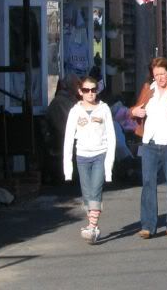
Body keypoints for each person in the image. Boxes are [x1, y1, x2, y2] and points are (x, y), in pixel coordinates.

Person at [130, 58, 167, 239]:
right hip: (150, 143)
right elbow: (136, 109)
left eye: (162, 74)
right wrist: (134, 112)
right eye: (156, 75)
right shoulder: (148, 89)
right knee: (148, 183)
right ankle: (147, 225)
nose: (160, 78)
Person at [62, 76, 116, 244]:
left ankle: (92, 227)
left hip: (100, 154)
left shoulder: (104, 109)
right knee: (86, 195)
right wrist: (67, 169)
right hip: (82, 156)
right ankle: (92, 226)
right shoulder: (75, 111)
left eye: (94, 90)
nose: (91, 93)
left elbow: (111, 136)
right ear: (80, 92)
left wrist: (109, 164)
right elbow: (69, 139)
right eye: (86, 90)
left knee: (96, 191)